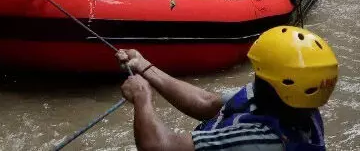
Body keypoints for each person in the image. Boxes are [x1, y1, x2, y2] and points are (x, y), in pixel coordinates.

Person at [117, 26, 338, 151]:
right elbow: (208, 103)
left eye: (259, 72)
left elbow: (158, 147)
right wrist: (144, 66)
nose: (255, 77)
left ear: (271, 86)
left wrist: (142, 97)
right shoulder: (294, 105)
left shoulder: (259, 141)